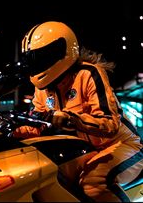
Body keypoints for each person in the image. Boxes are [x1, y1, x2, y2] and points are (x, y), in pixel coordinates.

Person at [13, 21, 143, 202]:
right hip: (87, 151)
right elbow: (37, 125)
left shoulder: (88, 73)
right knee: (45, 176)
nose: (39, 64)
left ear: (62, 51)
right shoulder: (42, 89)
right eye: (34, 59)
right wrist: (11, 131)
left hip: (123, 145)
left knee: (94, 183)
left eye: (43, 57)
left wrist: (71, 119)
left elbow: (110, 123)